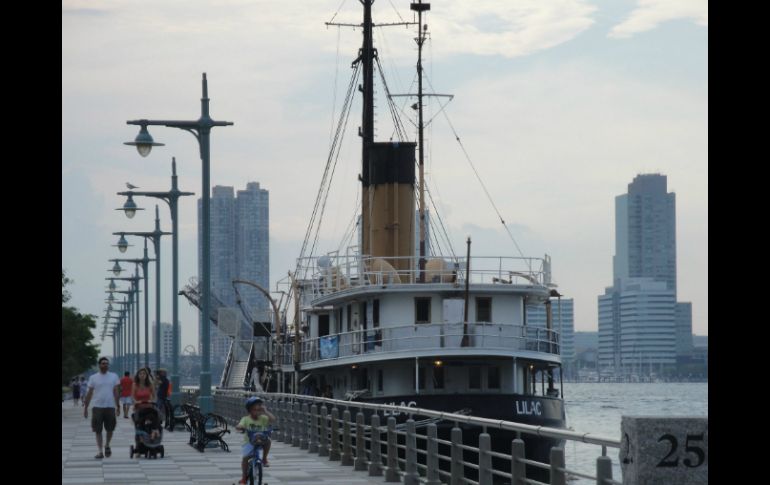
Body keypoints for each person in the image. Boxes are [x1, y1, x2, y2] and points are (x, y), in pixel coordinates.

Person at [83, 357, 120, 459]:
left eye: (107, 363)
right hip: (97, 406)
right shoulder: (93, 377)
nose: (105, 365)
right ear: (99, 365)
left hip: (110, 406)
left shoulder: (114, 376)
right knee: (98, 430)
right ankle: (100, 451)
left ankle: (107, 445)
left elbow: (116, 391)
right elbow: (89, 393)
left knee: (110, 429)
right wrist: (86, 408)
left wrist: (118, 406)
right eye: (103, 363)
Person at [235, 396, 276, 484]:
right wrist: (240, 427)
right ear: (249, 410)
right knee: (245, 458)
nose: (257, 412)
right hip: (249, 442)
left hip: (261, 440)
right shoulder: (246, 419)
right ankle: (243, 478)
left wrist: (266, 411)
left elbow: (273, 419)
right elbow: (240, 425)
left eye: (259, 410)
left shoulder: (263, 418)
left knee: (268, 441)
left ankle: (264, 458)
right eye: (254, 409)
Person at [132, 368, 160, 440]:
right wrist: (136, 401)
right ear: (138, 375)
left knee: (154, 413)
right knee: (140, 419)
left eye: (144, 374)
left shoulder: (150, 385)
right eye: (140, 374)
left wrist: (152, 400)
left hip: (148, 406)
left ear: (146, 375)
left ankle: (154, 430)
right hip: (139, 407)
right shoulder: (135, 385)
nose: (142, 375)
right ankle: (142, 435)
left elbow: (154, 396)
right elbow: (132, 397)